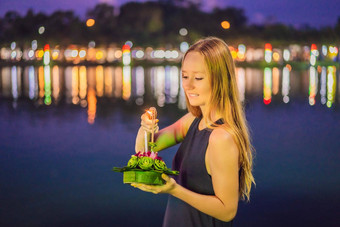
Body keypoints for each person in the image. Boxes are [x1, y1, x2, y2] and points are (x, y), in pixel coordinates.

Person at [132, 36, 255, 227]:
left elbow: (227, 211)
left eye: (198, 78)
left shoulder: (221, 137)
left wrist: (174, 189)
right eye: (184, 76)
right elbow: (145, 151)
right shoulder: (192, 121)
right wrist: (145, 128)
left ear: (220, 80)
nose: (188, 86)